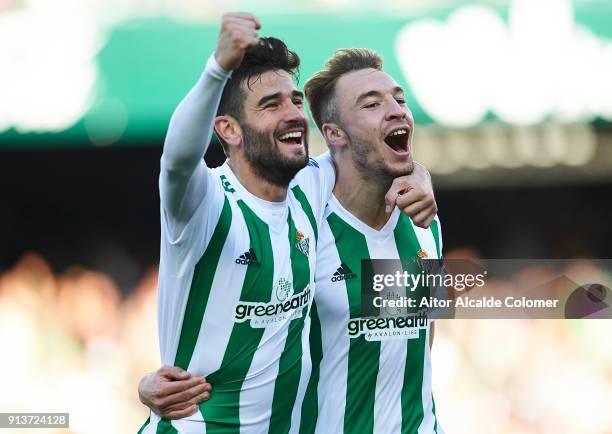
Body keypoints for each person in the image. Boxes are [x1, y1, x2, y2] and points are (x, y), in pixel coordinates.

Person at [138, 13, 437, 433]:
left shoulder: (308, 189)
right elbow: (177, 162)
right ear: (228, 129)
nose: (294, 113)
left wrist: (417, 173)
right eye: (271, 104)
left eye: (295, 100)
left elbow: (367, 157)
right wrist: (217, 68)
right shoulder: (206, 203)